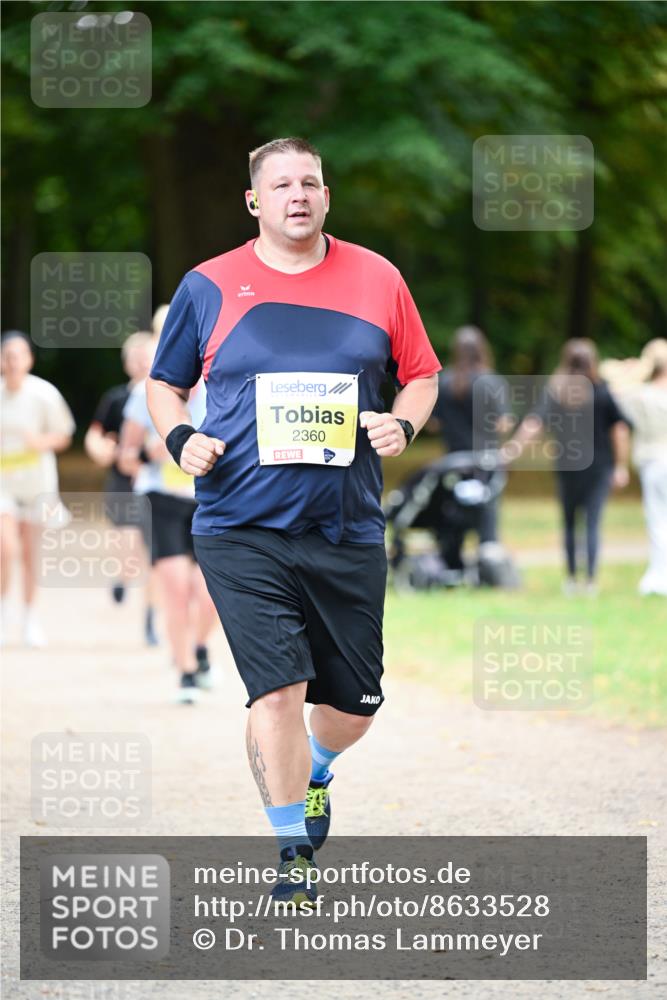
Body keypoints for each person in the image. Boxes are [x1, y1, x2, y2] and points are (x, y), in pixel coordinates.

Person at [145, 136, 440, 904]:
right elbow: (164, 385)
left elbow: (421, 376)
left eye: (309, 182)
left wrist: (402, 424)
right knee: (276, 689)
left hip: (345, 524)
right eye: (280, 185)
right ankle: (292, 856)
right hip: (238, 521)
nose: (297, 195)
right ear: (254, 201)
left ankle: (316, 766)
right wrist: (181, 439)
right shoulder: (208, 285)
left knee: (354, 706)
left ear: (326, 196)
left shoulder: (378, 277)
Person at [119, 346, 218, 705]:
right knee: (176, 589)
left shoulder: (221, 388)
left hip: (209, 502)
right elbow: (126, 459)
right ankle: (186, 671)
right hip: (161, 502)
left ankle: (198, 646)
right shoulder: (146, 393)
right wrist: (153, 452)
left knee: (209, 595)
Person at [502, 339, 630, 595]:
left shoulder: (556, 392)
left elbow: (534, 423)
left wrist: (511, 450)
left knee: (570, 523)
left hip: (567, 467)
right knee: (592, 523)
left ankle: (571, 579)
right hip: (599, 467)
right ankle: (590, 581)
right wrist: (621, 466)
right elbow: (620, 429)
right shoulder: (602, 391)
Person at [1, 330, 75, 646]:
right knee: (6, 547)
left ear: (29, 360)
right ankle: (4, 611)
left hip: (37, 484)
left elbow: (64, 435)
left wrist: (39, 442)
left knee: (31, 552)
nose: (13, 362)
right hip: (3, 483)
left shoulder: (44, 394)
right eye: (7, 356)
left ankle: (30, 618)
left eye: (19, 355)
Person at [85, 331, 159, 644]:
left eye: (146, 357)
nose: (141, 363)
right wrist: (101, 450)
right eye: (135, 358)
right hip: (122, 483)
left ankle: (151, 619)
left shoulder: (166, 398)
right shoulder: (116, 398)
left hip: (156, 485)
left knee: (156, 556)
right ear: (126, 363)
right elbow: (95, 434)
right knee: (129, 545)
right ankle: (123, 576)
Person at [430, 325, 512, 575]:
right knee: (487, 511)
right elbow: (503, 423)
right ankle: (487, 565)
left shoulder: (445, 381)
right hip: (485, 459)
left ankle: (452, 562)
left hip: (454, 460)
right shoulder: (492, 381)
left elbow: (433, 423)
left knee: (454, 509)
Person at [617, 339, 667, 596]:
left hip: (653, 462)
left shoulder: (642, 395)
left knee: (657, 520)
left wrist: (631, 373)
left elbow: (618, 397)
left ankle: (659, 576)